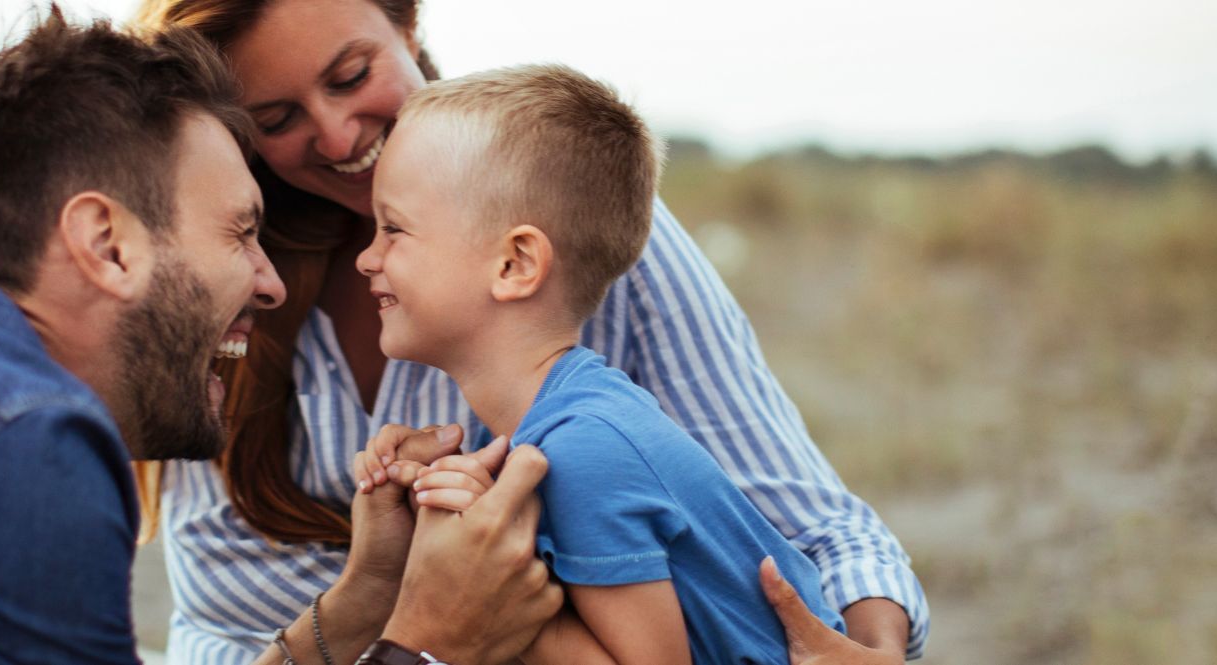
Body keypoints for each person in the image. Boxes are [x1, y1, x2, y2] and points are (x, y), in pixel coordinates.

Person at [133, 0, 929, 662]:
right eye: (275, 117)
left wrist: (874, 649)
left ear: (408, 27)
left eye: (351, 75)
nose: (339, 137)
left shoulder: (583, 248)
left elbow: (806, 520)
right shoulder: (225, 278)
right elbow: (221, 616)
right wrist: (410, 593)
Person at [0, 10, 557, 664]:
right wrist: (431, 635)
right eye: (240, 233)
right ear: (108, 244)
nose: (270, 281)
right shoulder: (11, 442)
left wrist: (364, 601)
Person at [348, 64, 848, 664]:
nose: (366, 258)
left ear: (514, 264)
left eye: (393, 229)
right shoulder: (524, 428)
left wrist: (505, 606)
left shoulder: (587, 450)